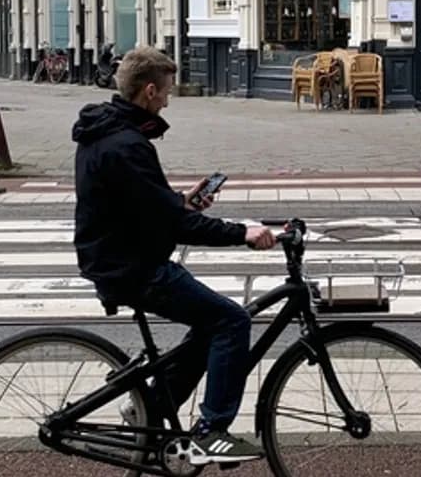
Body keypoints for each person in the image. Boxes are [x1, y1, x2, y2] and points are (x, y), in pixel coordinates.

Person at [72, 46, 277, 465]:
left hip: (119, 255)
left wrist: (179, 202)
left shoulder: (107, 132)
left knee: (209, 324)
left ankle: (149, 406)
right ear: (149, 91)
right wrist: (244, 233)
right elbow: (174, 226)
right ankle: (211, 431)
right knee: (231, 321)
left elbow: (141, 204)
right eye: (165, 93)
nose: (168, 101)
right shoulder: (128, 145)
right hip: (131, 266)